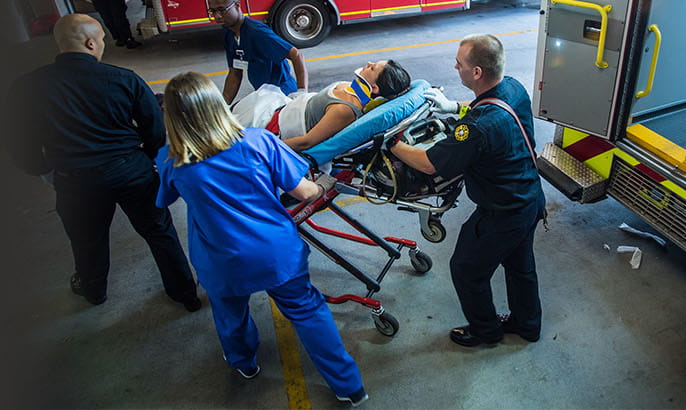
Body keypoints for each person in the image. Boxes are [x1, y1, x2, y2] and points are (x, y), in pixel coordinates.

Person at [155, 72, 368, 407]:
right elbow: (304, 190)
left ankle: (245, 363)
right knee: (308, 311)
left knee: (230, 313)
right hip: (274, 251)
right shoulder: (258, 141)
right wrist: (323, 186)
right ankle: (349, 385)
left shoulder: (171, 159)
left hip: (220, 259)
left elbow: (164, 200)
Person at [8, 14, 200, 310]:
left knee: (87, 241)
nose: (101, 46)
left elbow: (18, 141)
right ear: (89, 42)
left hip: (75, 180)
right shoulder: (123, 79)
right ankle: (185, 293)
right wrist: (143, 159)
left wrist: (44, 170)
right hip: (131, 173)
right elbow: (155, 129)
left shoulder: (27, 88)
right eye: (100, 40)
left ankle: (94, 291)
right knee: (159, 232)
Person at [387, 34, 544, 348]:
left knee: (465, 270)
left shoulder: (477, 128)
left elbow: (430, 163)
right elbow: (485, 110)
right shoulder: (511, 86)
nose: (454, 67)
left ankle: (486, 331)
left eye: (459, 64)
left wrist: (394, 144)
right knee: (520, 266)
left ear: (476, 73)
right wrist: (455, 107)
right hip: (529, 199)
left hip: (502, 211)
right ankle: (527, 325)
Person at [281, 59, 412, 150]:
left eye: (372, 68)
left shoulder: (345, 109)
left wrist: (266, 146)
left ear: (374, 88)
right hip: (286, 110)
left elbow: (306, 142)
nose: (368, 63)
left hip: (281, 128)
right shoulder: (354, 90)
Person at [208, 0, 308, 104]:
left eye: (222, 10)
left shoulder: (257, 32)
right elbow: (235, 73)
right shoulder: (228, 33)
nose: (217, 16)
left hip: (282, 93)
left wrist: (302, 92)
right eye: (213, 11)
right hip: (263, 94)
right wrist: (224, 105)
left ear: (237, 6)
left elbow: (296, 55)